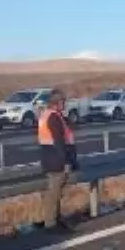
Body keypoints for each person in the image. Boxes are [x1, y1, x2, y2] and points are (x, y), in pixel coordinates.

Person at [38, 89, 79, 232]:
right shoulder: (54, 117)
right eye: (63, 102)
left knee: (55, 192)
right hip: (56, 161)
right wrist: (66, 162)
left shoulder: (50, 115)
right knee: (54, 193)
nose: (65, 104)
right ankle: (51, 224)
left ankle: (55, 220)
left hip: (51, 158)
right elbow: (59, 142)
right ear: (57, 103)